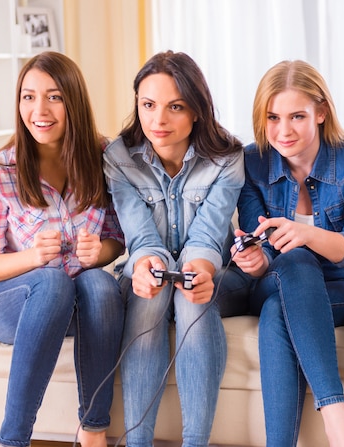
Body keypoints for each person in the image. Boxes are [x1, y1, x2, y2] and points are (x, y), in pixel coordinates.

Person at [0, 52, 125, 447]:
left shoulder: (104, 160)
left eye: (54, 97)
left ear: (73, 101)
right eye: (28, 96)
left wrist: (99, 253)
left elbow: (117, 238)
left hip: (70, 301)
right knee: (52, 281)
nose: (39, 110)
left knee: (102, 287)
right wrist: (32, 257)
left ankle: (93, 430)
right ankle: (13, 439)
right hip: (8, 299)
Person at [217, 60, 344, 446]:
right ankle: (338, 420)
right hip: (276, 280)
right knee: (294, 261)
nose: (283, 130)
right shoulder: (252, 161)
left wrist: (305, 233)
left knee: (279, 312)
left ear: (321, 113)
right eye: (272, 117)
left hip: (341, 287)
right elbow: (266, 256)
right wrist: (254, 263)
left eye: (297, 116)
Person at [103, 50, 244, 447]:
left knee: (189, 297)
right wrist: (147, 265)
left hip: (214, 275)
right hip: (149, 273)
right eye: (147, 105)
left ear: (197, 110)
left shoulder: (227, 157)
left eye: (175, 107)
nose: (158, 120)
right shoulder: (118, 158)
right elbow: (141, 238)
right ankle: (137, 442)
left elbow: (209, 235)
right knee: (154, 287)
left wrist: (199, 269)